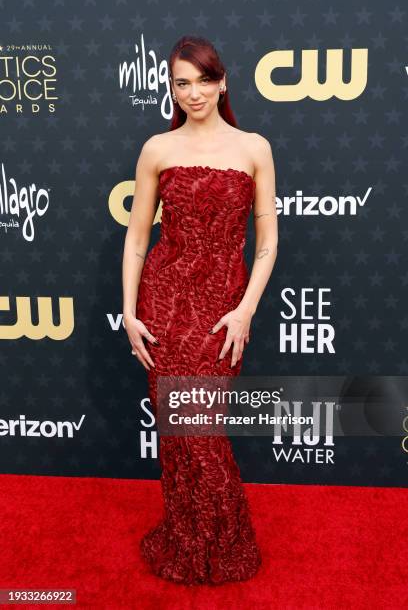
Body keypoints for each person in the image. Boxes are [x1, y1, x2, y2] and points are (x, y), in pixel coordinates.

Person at [122, 35, 278, 585]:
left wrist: (245, 311)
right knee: (179, 429)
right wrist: (129, 310)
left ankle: (226, 542)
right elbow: (138, 238)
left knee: (200, 428)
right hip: (165, 302)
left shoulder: (254, 148)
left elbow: (266, 241)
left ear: (223, 81)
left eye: (204, 80)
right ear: (171, 87)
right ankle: (187, 539)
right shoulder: (157, 151)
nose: (194, 93)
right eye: (182, 83)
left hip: (221, 308)